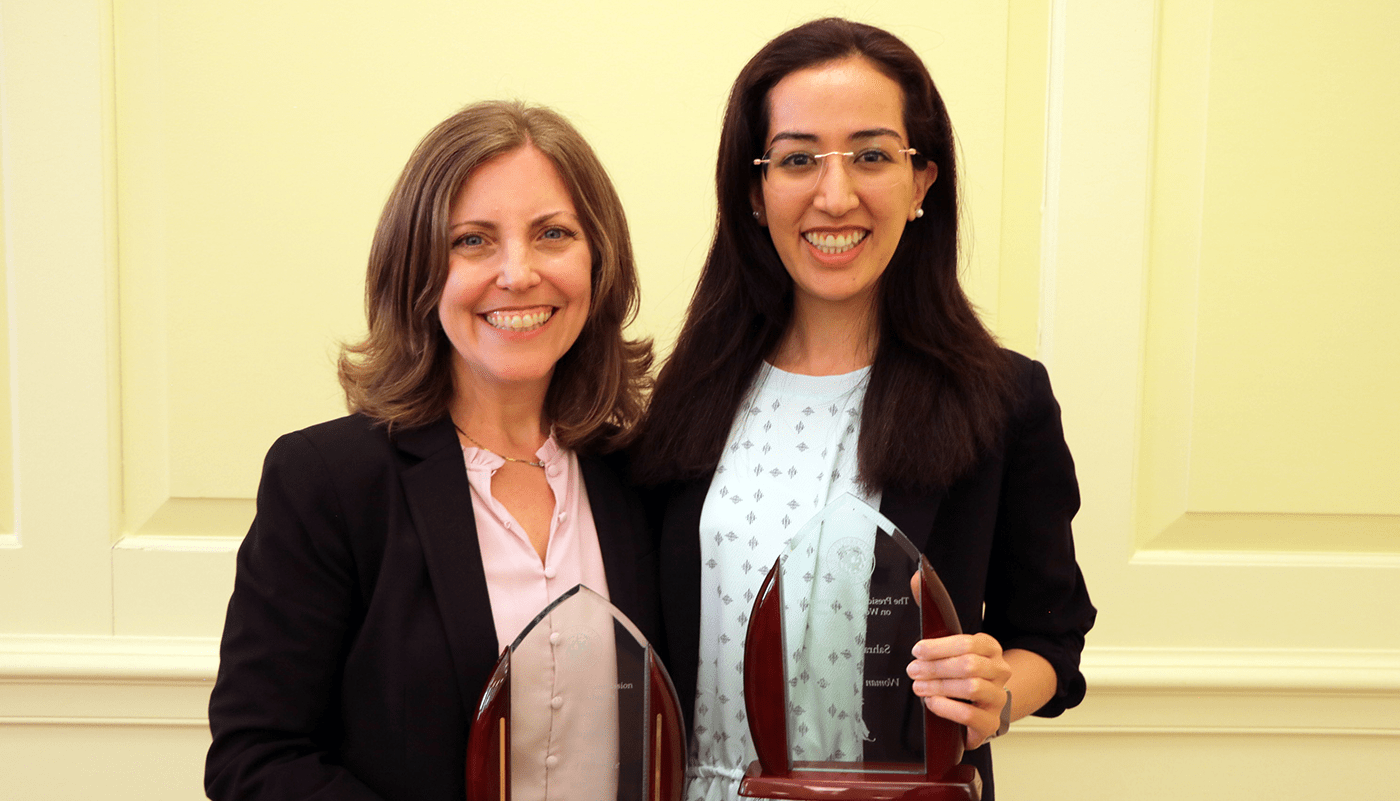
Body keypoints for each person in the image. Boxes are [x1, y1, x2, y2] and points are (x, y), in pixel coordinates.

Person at [632, 18, 1095, 801]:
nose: (834, 193)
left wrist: (999, 690)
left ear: (921, 183)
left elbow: (1050, 633)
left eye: (872, 155)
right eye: (798, 158)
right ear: (755, 190)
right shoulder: (681, 400)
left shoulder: (1004, 399)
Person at [205, 100, 657, 801]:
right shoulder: (326, 482)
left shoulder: (645, 475)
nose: (517, 273)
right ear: (418, 268)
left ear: (598, 259)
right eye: (473, 240)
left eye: (553, 234)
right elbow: (256, 757)